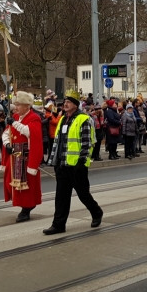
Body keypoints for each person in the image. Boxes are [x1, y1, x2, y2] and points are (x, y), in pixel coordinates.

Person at [44, 96, 104, 235]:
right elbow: (58, 142)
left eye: (68, 102)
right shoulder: (63, 119)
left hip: (77, 165)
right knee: (61, 197)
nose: (65, 104)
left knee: (83, 194)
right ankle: (58, 225)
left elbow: (87, 142)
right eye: (64, 102)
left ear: (76, 105)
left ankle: (96, 212)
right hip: (62, 164)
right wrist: (54, 161)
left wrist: (82, 162)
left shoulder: (83, 119)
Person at [1, 91, 44, 223]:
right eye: (15, 104)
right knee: (10, 180)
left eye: (18, 104)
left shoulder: (33, 117)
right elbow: (6, 133)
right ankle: (22, 204)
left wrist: (14, 123)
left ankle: (27, 207)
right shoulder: (15, 117)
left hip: (26, 156)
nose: (16, 107)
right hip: (14, 156)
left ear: (27, 105)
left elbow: (29, 132)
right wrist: (7, 144)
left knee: (27, 184)